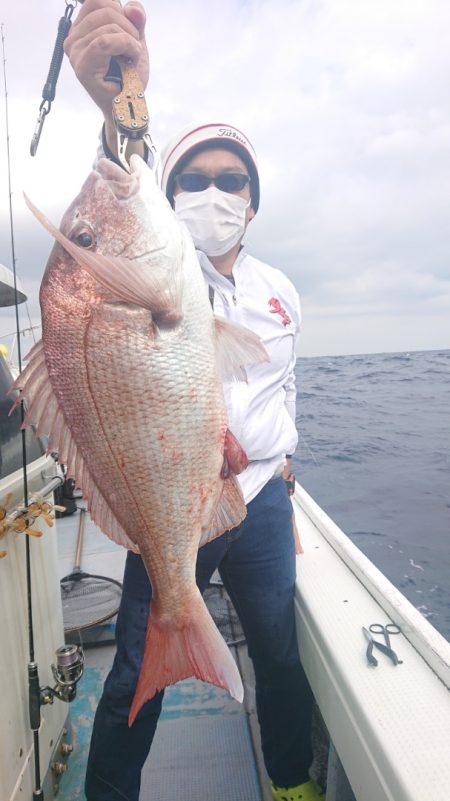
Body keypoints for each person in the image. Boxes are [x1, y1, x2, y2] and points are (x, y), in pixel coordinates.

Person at [65, 3, 321, 800]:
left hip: (262, 504)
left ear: (254, 198)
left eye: (231, 180)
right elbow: (125, 155)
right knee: (137, 669)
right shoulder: (167, 272)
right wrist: (123, 106)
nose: (214, 192)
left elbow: (284, 390)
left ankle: (292, 784)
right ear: (169, 195)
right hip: (170, 497)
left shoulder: (281, 292)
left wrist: (282, 470)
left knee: (277, 651)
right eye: (195, 180)